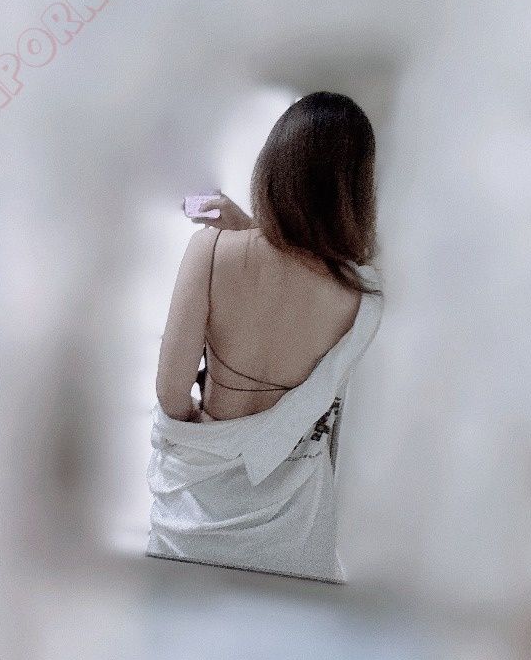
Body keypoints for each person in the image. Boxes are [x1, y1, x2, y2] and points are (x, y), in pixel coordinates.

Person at [146, 92, 384, 581]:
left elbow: (171, 395)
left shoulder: (211, 250)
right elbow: (298, 273)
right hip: (291, 531)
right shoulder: (361, 297)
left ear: (274, 166)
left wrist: (212, 443)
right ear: (356, 190)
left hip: (195, 519)